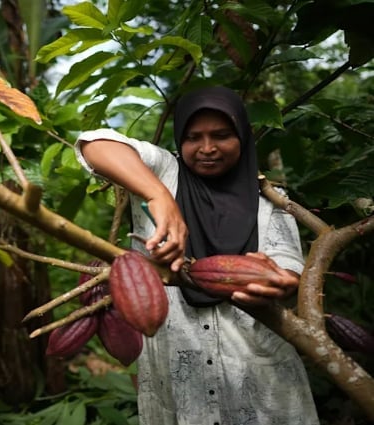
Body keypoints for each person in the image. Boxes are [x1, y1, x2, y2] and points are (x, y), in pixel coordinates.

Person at [74, 86, 320, 424]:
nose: (207, 149)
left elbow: (290, 268)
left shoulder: (272, 201)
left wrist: (281, 282)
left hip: (256, 369)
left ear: (243, 137)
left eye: (221, 135)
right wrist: (159, 196)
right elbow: (93, 144)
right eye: (193, 138)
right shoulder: (164, 173)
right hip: (177, 368)